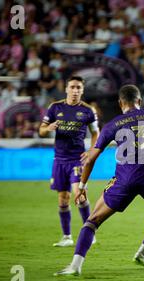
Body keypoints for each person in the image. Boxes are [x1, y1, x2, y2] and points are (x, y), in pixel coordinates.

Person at [54, 84, 144, 276]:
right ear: (139, 101)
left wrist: (81, 186)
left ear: (121, 103)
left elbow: (90, 159)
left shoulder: (113, 124)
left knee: (93, 220)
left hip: (125, 179)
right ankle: (143, 252)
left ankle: (75, 266)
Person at [38, 76, 99, 247]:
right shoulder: (55, 107)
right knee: (63, 199)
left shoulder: (88, 110)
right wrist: (48, 128)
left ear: (82, 90)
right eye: (72, 87)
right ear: (66, 89)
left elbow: (96, 133)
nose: (75, 91)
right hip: (59, 160)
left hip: (77, 160)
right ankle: (67, 237)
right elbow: (41, 131)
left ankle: (89, 232)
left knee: (79, 196)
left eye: (78, 87)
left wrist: (91, 151)